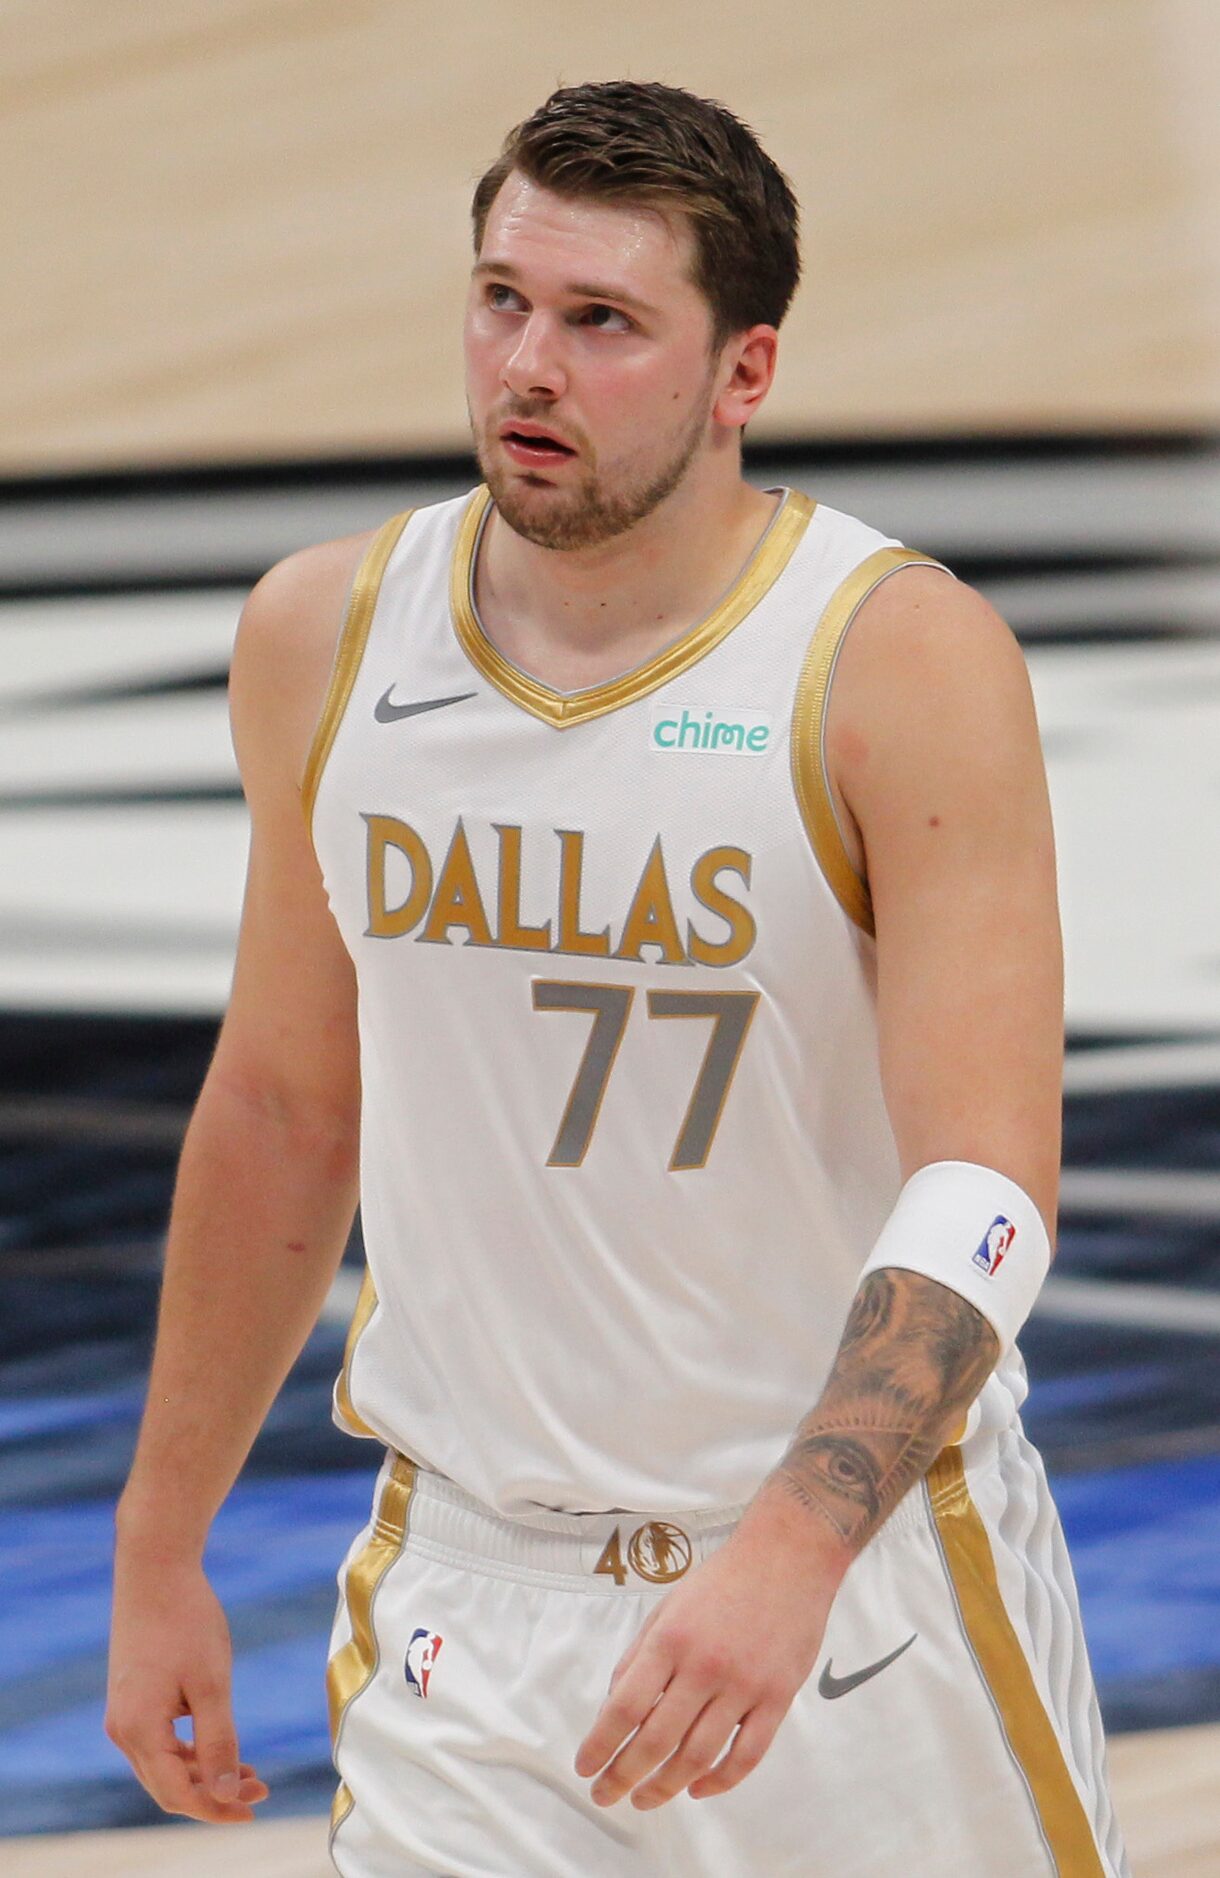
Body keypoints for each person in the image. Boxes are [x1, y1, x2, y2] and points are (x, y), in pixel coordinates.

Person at [106, 80, 1131, 1877]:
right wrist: (158, 1538)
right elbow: (282, 1106)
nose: (529, 367)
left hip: (852, 1593)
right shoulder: (325, 638)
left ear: (745, 373)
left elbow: (985, 1185)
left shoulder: (895, 659)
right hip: (468, 1608)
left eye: (603, 323)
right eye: (503, 299)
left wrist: (797, 1547)